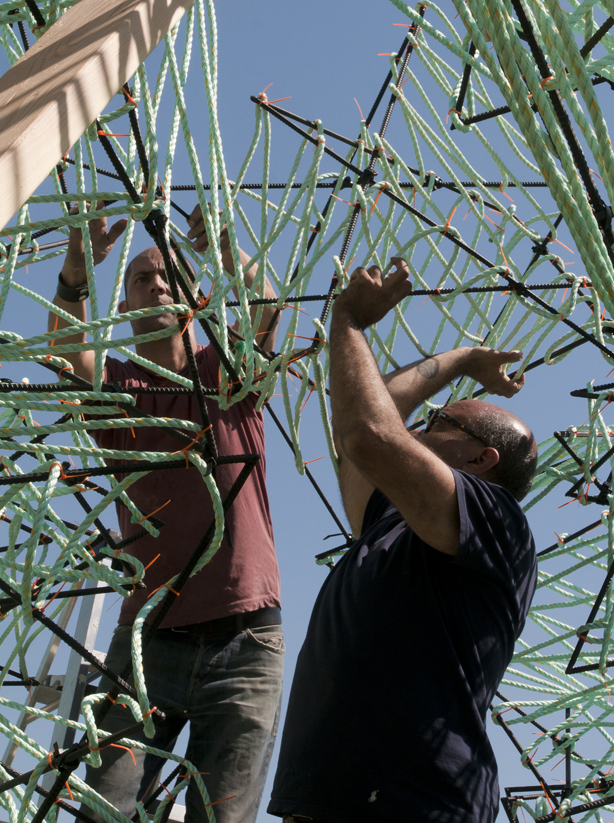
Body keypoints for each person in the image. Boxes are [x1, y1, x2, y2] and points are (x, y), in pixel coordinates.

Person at [269, 257, 538, 823]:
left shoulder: (495, 518)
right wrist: (463, 357)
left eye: (441, 420)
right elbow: (378, 413)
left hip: (416, 802)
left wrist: (347, 321)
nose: (420, 422)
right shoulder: (394, 519)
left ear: (480, 459)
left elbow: (371, 433)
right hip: (334, 799)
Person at [49, 203, 284, 823]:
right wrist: (77, 274)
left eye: (167, 277)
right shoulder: (121, 390)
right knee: (102, 809)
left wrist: (233, 255)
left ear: (195, 299)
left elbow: (266, 314)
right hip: (149, 636)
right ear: (122, 308)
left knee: (222, 816)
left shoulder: (225, 376)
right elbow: (62, 357)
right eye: (139, 280)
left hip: (246, 638)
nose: (154, 286)